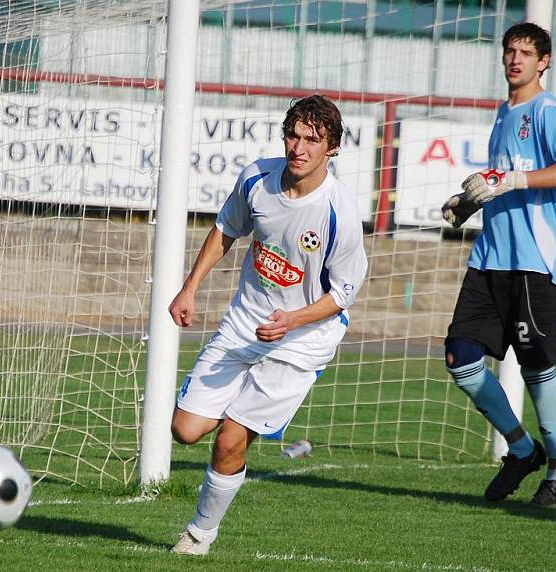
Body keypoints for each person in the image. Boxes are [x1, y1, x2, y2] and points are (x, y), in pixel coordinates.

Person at [167, 95, 367, 556]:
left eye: (312, 140)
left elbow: (342, 295)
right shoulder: (257, 177)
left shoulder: (338, 213)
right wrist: (189, 287)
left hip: (301, 341)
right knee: (186, 430)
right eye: (293, 136)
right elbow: (225, 229)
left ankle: (199, 534)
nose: (299, 148)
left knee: (229, 441)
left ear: (331, 149)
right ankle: (235, 411)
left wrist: (292, 319)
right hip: (243, 325)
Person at [441, 22, 556, 506]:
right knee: (460, 357)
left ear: (544, 61)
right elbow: (499, 182)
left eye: (526, 52)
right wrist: (469, 203)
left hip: (533, 263)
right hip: (489, 260)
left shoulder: (547, 111)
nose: (515, 59)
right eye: (510, 51)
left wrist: (514, 181)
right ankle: (523, 450)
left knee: (536, 369)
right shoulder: (504, 113)